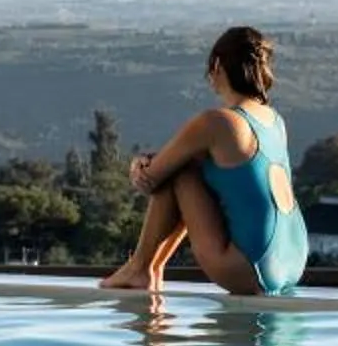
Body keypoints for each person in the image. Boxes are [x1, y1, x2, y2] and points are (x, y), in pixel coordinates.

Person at [98, 25, 311, 296]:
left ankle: (141, 267)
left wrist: (140, 164)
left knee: (180, 170)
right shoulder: (274, 121)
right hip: (293, 260)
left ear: (218, 65)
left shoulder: (217, 122)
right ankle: (149, 269)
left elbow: (153, 179)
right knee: (189, 164)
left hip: (247, 268)